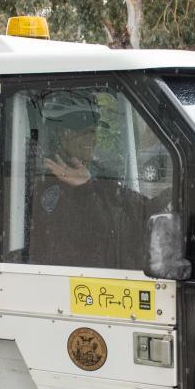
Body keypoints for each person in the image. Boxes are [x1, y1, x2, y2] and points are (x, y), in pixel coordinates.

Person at [28, 104, 147, 269]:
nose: (91, 138)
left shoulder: (98, 170)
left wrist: (156, 204)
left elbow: (126, 202)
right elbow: (101, 233)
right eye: (83, 132)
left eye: (93, 131)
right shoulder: (50, 183)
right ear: (63, 136)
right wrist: (85, 189)